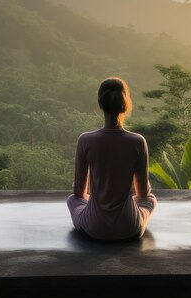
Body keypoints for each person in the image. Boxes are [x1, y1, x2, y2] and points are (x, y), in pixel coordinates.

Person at [67, 77, 157, 241]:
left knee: (73, 199)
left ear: (101, 103)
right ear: (125, 103)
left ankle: (94, 210)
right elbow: (142, 193)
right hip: (129, 228)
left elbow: (79, 192)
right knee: (149, 199)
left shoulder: (86, 140)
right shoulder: (137, 141)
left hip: (94, 229)